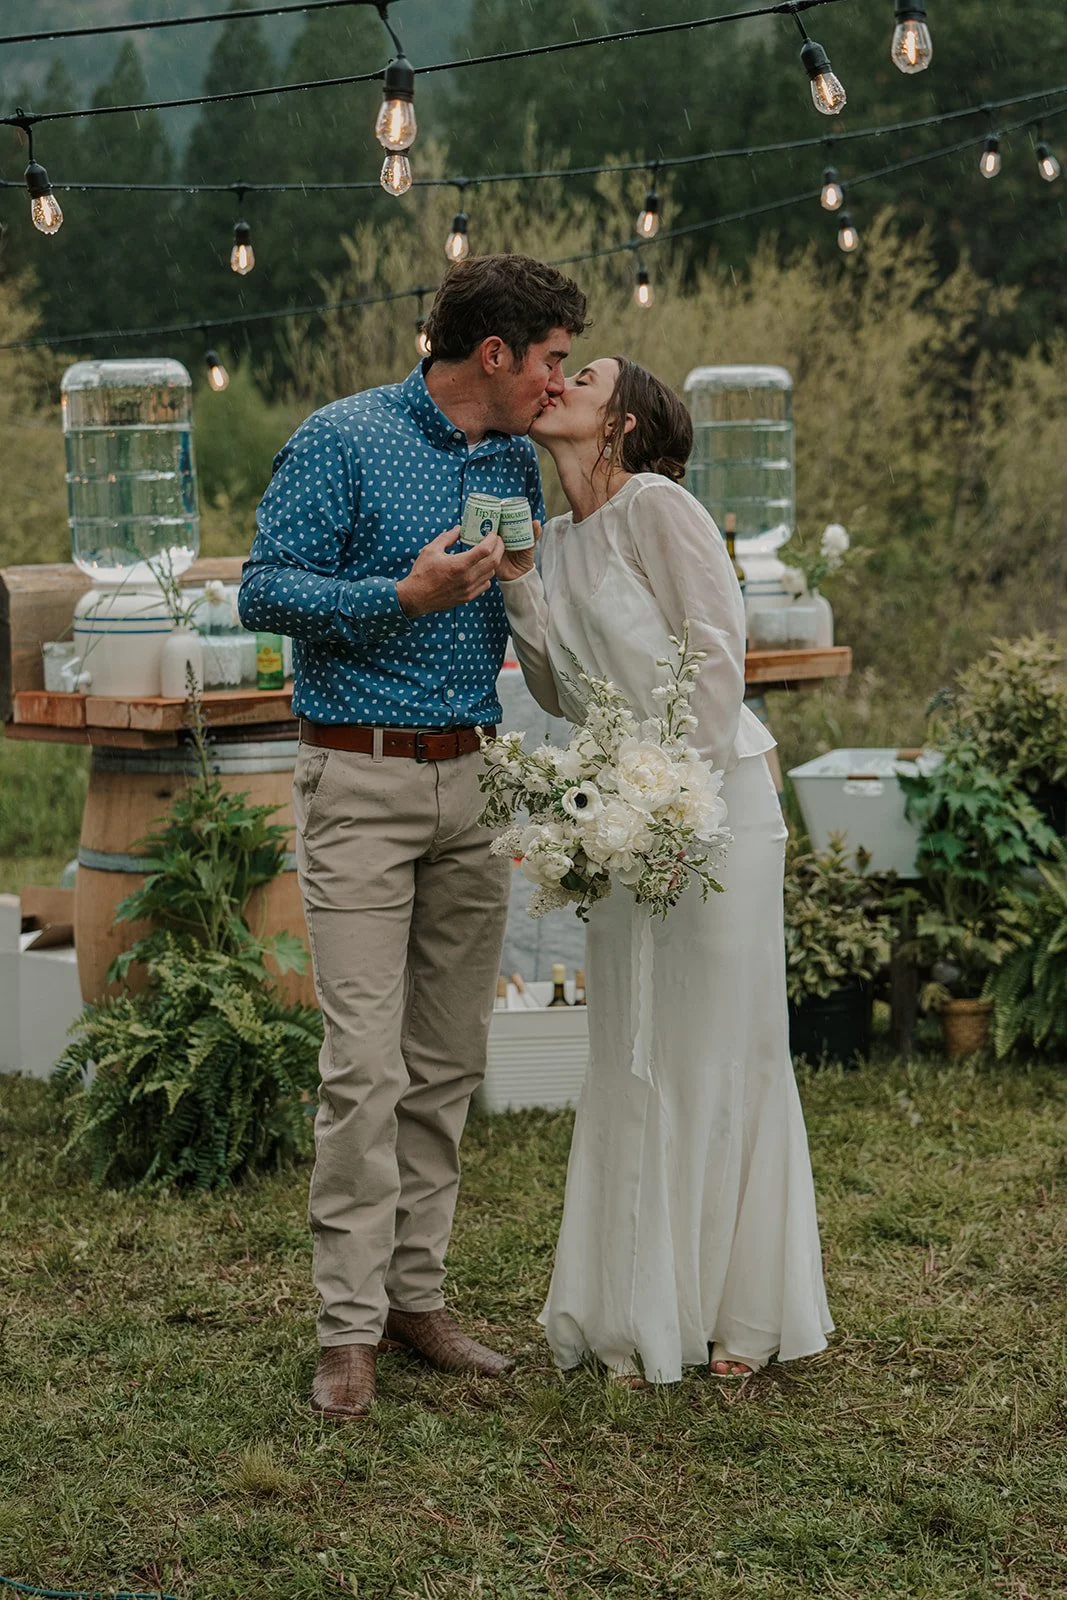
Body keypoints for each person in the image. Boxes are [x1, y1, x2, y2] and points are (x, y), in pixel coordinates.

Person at [237, 255, 588, 1421]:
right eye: (549, 358)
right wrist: (399, 597)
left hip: (473, 780)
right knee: (363, 1068)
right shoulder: (339, 437)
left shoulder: (509, 463)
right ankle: (344, 1331)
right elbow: (262, 590)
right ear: (493, 355)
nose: (556, 380)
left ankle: (414, 1296)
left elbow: (539, 623)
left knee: (445, 1064)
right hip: (359, 776)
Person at [495, 356, 834, 1384]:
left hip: (713, 801)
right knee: (630, 1042)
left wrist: (670, 793)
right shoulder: (554, 537)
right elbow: (557, 691)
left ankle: (739, 1311)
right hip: (623, 815)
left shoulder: (659, 506)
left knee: (717, 1044)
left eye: (582, 375)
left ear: (626, 418)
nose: (556, 381)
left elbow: (715, 655)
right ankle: (630, 1306)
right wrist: (516, 580)